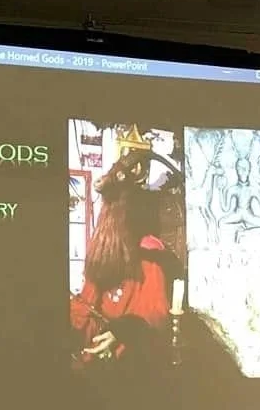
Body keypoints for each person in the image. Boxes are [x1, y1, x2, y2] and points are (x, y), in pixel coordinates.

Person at [70, 148, 181, 368]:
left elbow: (155, 313)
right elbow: (85, 306)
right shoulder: (104, 250)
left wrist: (122, 331)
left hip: (133, 363)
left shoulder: (150, 253)